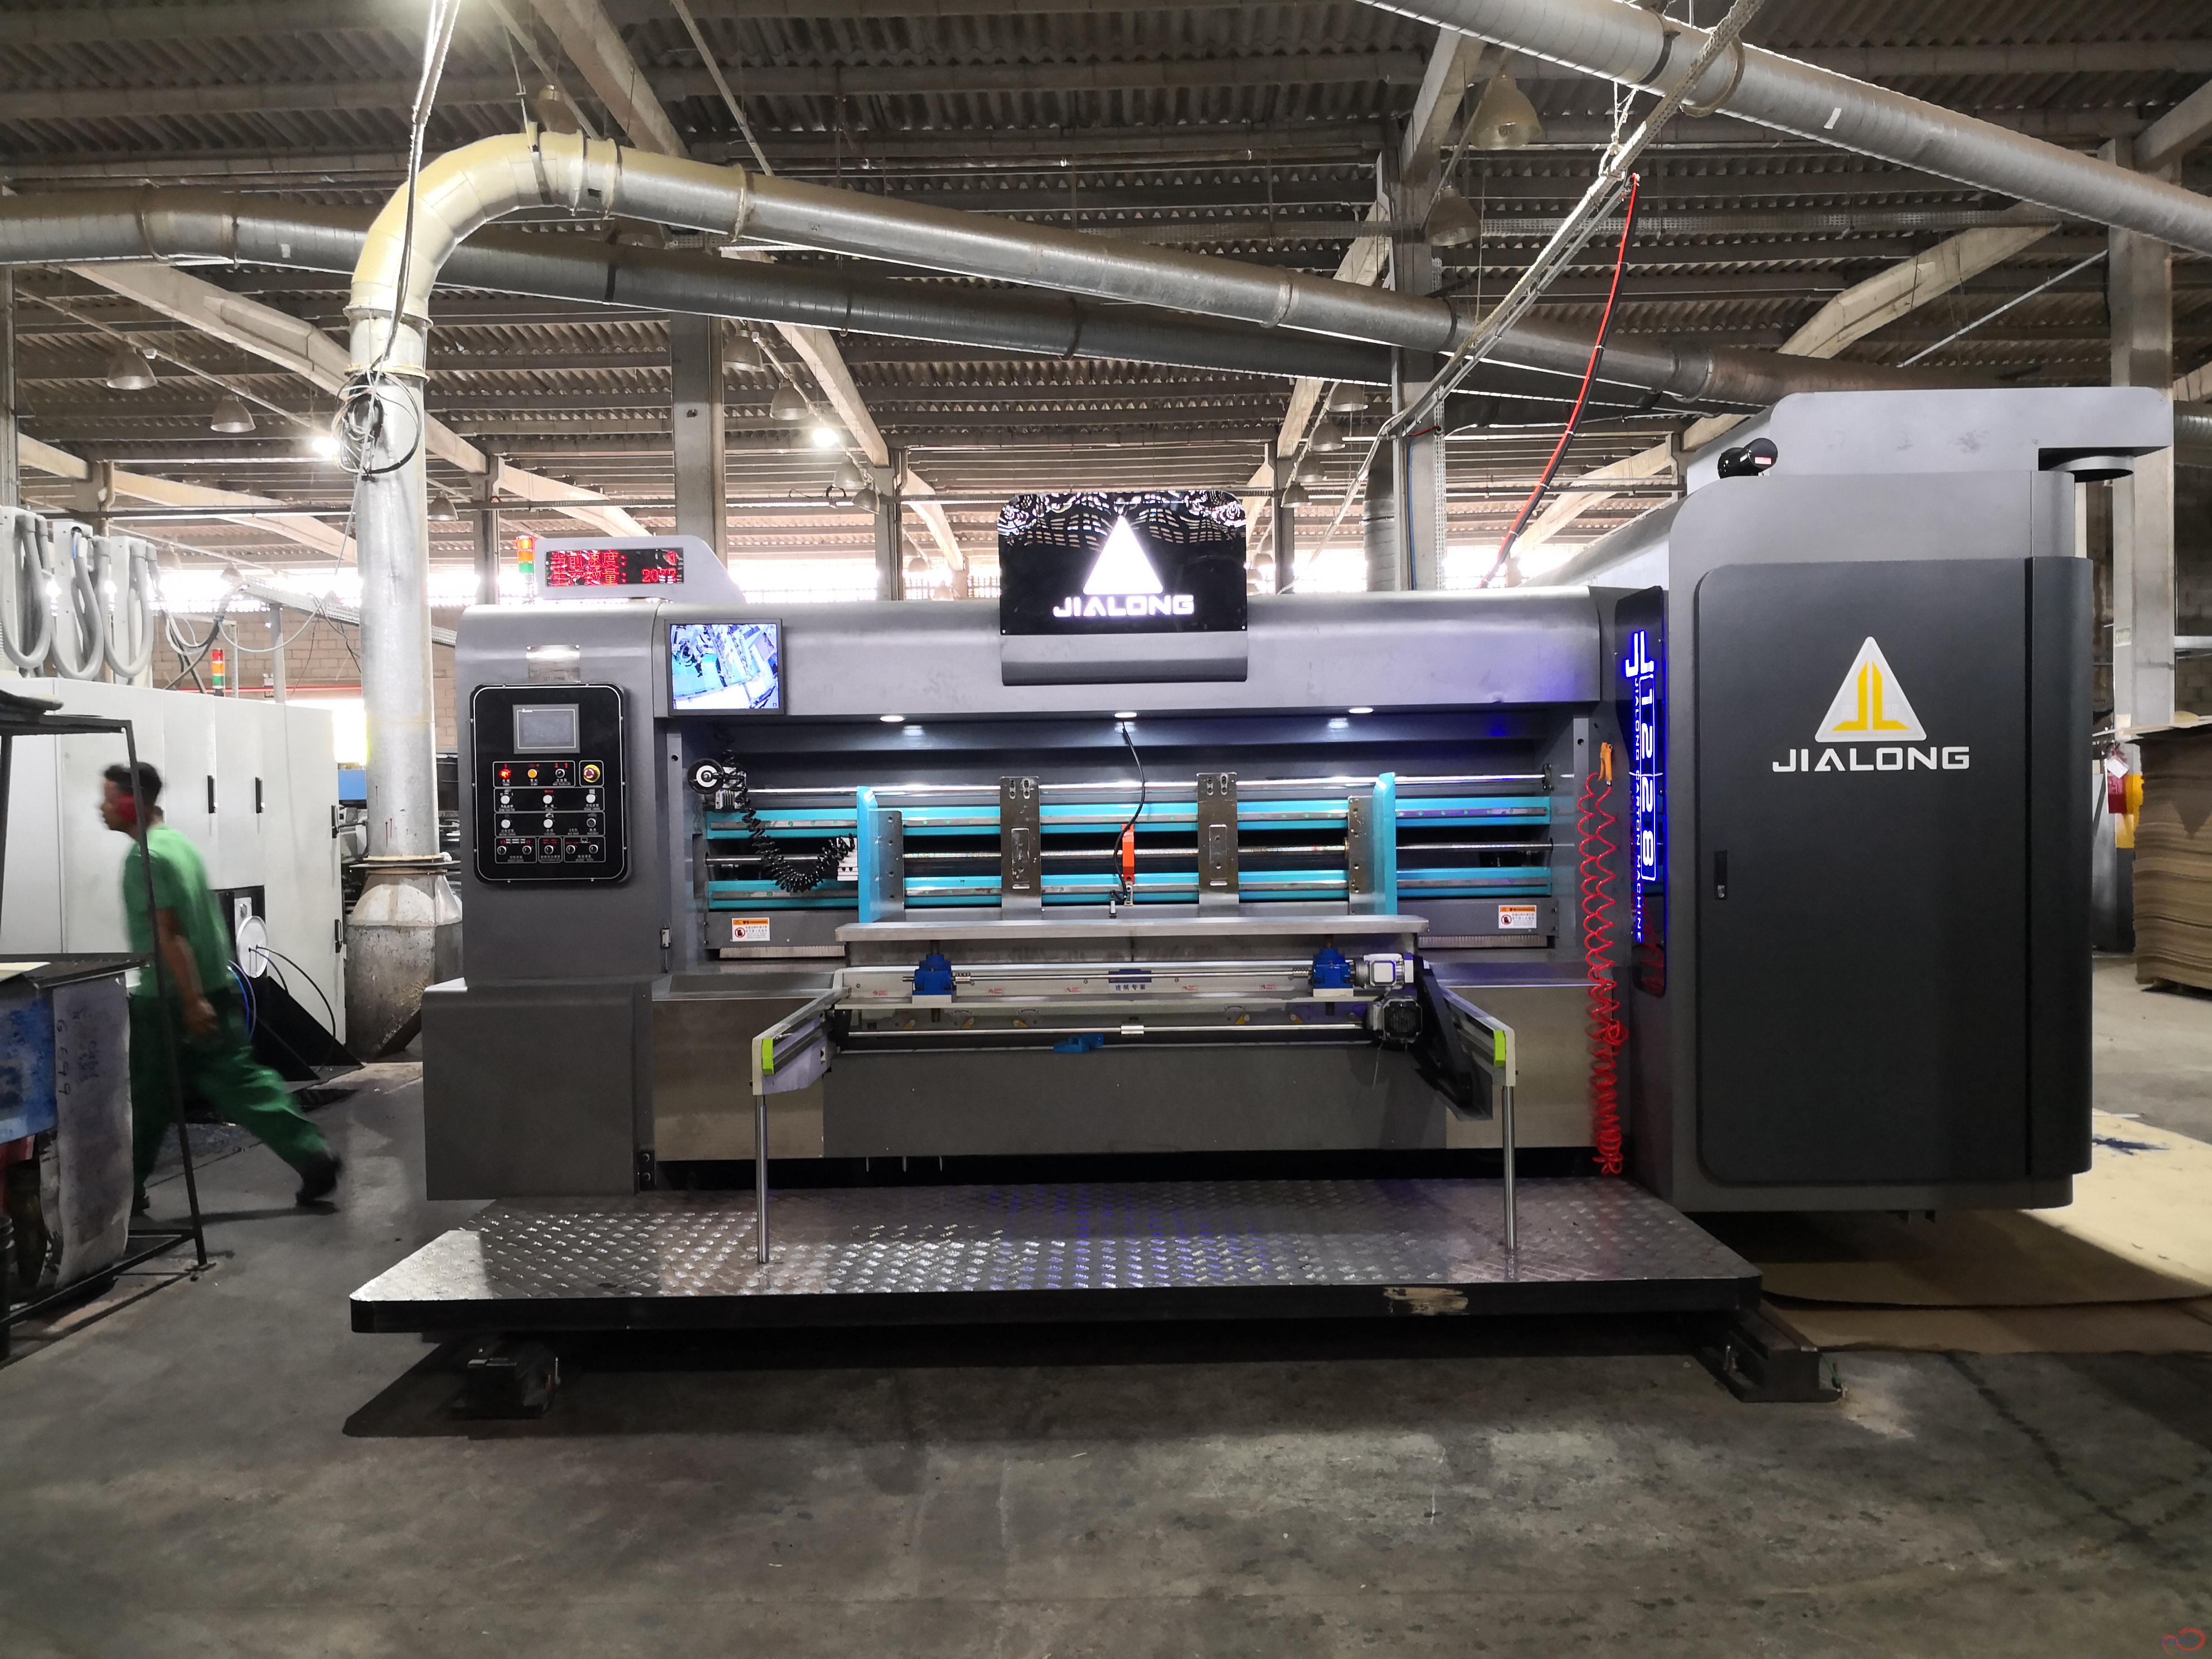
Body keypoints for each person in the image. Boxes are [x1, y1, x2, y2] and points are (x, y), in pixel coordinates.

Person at [101, 761, 342, 1210]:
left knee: (147, 1099)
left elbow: (169, 935)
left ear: (133, 802)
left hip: (170, 1000)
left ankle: (121, 1193)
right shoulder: (179, 845)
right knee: (243, 1084)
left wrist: (191, 1001)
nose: (102, 808)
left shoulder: (145, 858)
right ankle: (312, 1154)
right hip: (215, 986)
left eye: (109, 799)